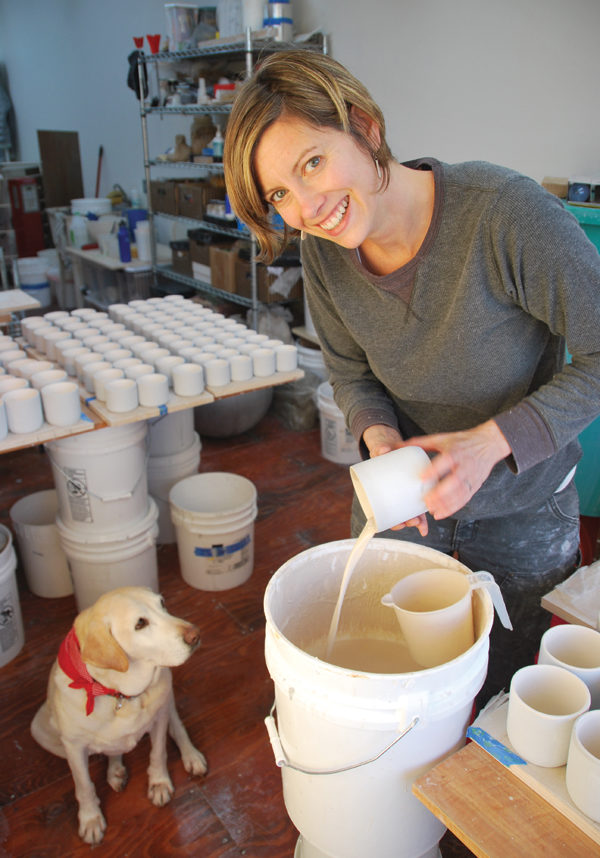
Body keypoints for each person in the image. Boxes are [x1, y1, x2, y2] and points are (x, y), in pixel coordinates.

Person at [223, 50, 600, 707]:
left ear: (365, 128)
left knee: (496, 707)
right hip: (404, 505)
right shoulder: (324, 252)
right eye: (279, 194)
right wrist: (376, 437)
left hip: (522, 512)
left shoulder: (505, 215)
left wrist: (488, 442)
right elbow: (348, 366)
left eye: (312, 162)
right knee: (394, 690)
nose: (308, 208)